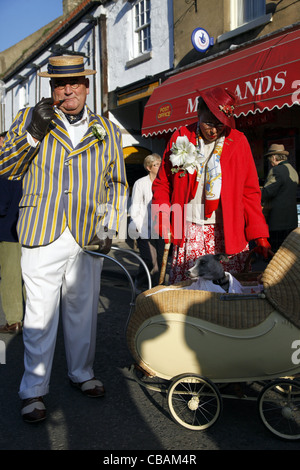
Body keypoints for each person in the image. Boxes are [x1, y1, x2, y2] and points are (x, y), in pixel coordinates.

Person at [0, 55, 128, 423]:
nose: (68, 89)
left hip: (87, 234)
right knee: (40, 313)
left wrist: (107, 229)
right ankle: (34, 390)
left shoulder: (107, 129)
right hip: (43, 229)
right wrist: (31, 135)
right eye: (60, 83)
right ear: (51, 88)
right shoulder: (31, 117)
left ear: (87, 86)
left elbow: (116, 183)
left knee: (83, 310)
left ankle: (82, 373)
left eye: (75, 81)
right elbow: (5, 167)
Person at [152, 86, 270, 284]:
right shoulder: (181, 137)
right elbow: (163, 183)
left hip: (227, 233)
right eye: (209, 123)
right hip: (190, 230)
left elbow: (250, 192)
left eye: (220, 124)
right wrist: (163, 217)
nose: (214, 130)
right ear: (198, 114)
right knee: (190, 294)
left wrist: (259, 233)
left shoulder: (238, 141)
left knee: (226, 297)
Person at [129, 153, 164, 291]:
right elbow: (135, 206)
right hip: (144, 228)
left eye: (160, 164)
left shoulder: (164, 182)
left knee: (161, 262)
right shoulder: (140, 183)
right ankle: (139, 280)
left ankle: (157, 288)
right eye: (156, 164)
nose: (159, 167)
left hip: (160, 227)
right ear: (149, 168)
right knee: (150, 260)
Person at [0, 132, 24, 334]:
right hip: (28, 228)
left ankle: (14, 320)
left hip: (7, 229)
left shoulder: (4, 167)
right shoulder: (26, 165)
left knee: (10, 276)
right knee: (27, 276)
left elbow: (1, 204)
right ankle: (32, 318)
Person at [262, 143, 299, 252]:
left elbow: (268, 192)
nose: (270, 162)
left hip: (277, 221)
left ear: (274, 157)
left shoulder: (277, 170)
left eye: (270, 159)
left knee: (274, 254)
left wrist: (257, 193)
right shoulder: (292, 169)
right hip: (291, 220)